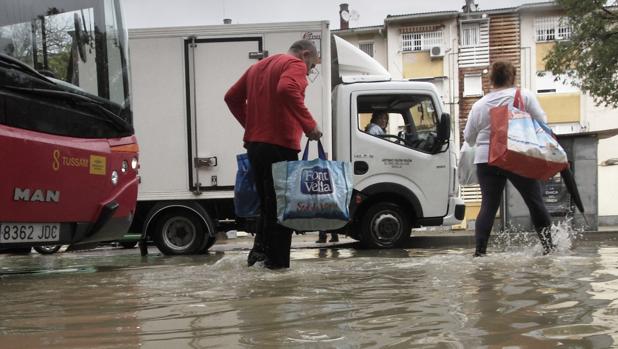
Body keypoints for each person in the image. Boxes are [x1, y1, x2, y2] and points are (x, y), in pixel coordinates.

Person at [225, 40, 322, 269]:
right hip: (280, 146)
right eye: (312, 66)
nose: (308, 72)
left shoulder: (257, 67)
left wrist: (252, 126)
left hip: (256, 147)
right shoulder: (294, 64)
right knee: (283, 209)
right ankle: (278, 268)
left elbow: (231, 97)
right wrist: (309, 126)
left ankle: (259, 256)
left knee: (268, 206)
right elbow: (287, 88)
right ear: (305, 54)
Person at [463, 60, 554, 257]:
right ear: (512, 78)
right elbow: (542, 123)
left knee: (488, 205)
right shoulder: (524, 96)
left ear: (491, 80)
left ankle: (480, 253)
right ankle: (549, 249)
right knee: (534, 202)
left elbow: (468, 138)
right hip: (518, 154)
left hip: (487, 158)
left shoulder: (480, 105)